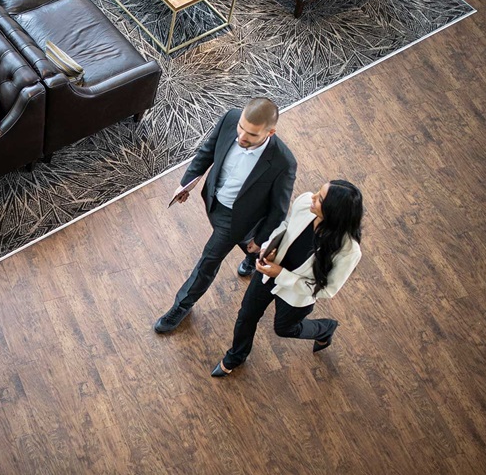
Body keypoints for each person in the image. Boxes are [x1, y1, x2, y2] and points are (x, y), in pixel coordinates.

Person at [155, 97, 297, 334]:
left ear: (270, 132)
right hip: (212, 199)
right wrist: (186, 182)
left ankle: (182, 305)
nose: (241, 136)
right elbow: (208, 151)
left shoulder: (284, 162)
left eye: (251, 135)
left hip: (236, 220)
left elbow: (279, 209)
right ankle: (253, 258)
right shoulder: (231, 118)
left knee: (208, 261)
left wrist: (261, 238)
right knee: (246, 244)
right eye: (241, 128)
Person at [211, 180, 364, 377]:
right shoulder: (304, 203)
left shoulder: (349, 251)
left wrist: (281, 275)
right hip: (268, 274)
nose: (313, 197)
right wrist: (268, 248)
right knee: (246, 315)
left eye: (321, 199)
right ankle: (236, 356)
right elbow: (285, 225)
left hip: (296, 294)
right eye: (318, 192)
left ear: (334, 212)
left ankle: (325, 328)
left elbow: (327, 289)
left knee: (285, 329)